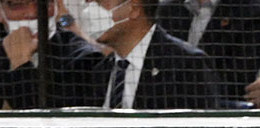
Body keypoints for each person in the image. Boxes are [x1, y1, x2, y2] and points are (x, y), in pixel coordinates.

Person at [0, 0, 108, 109]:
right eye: (17, 4)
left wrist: (20, 64)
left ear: (55, 7)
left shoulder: (85, 59)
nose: (32, 12)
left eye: (41, 3)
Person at [77, 0, 223, 109]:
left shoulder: (187, 65)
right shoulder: (97, 68)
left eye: (100, 2)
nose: (89, 10)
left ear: (134, 9)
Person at [156, 0, 260, 99]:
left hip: (223, 113)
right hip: (166, 106)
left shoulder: (258, 11)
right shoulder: (168, 9)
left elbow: (239, 82)